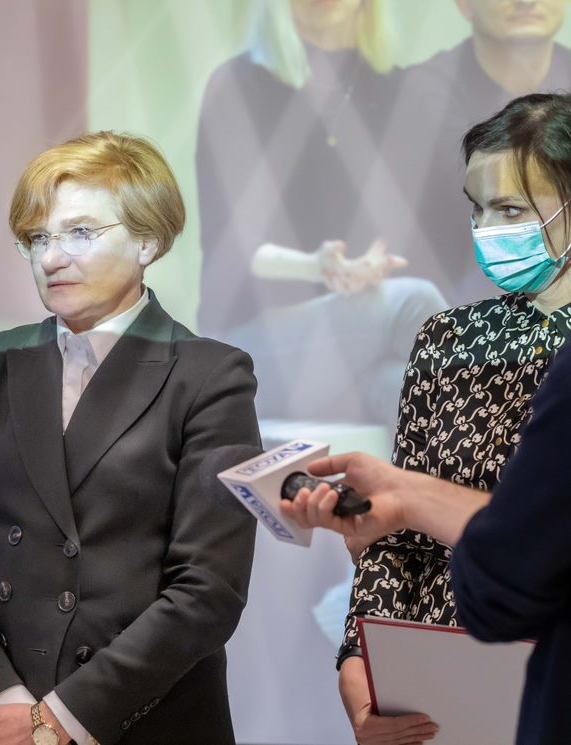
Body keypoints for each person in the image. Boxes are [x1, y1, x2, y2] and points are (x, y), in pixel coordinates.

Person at [0, 131, 260, 745]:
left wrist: (57, 720)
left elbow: (208, 589)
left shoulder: (210, 374)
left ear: (147, 241)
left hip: (135, 717)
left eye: (80, 233)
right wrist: (1, 697)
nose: (51, 259)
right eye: (37, 238)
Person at [279, 92, 571, 745]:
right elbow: (392, 530)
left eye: (511, 210)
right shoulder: (447, 337)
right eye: (478, 209)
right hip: (437, 680)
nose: (488, 228)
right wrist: (359, 661)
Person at [196, 0, 448, 426]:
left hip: (360, 339)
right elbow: (232, 244)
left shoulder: (398, 91)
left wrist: (371, 268)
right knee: (415, 302)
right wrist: (319, 266)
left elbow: (424, 222)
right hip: (251, 347)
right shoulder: (239, 86)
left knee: (402, 387)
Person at [393, 0, 571, 307]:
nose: (526, 2)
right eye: (478, 208)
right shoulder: (419, 93)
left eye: (510, 210)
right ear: (465, 4)